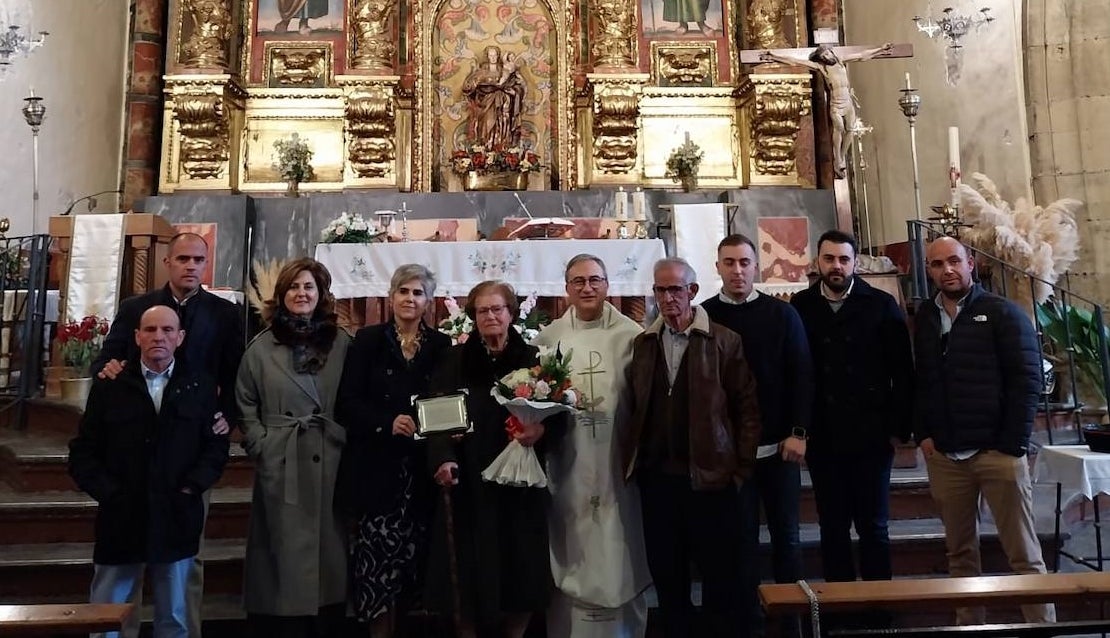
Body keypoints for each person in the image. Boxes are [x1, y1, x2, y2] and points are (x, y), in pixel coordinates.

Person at [91, 231, 243, 637]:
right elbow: (110, 358)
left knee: (185, 557)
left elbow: (234, 374)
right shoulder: (135, 308)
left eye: (198, 260)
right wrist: (107, 369)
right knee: (124, 559)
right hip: (134, 449)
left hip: (188, 453)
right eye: (182, 259)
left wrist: (227, 416)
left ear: (205, 265)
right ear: (168, 262)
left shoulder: (224, 314)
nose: (190, 266)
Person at [914, 236, 1054, 625]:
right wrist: (925, 433)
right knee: (960, 555)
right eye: (938, 264)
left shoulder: (1001, 312)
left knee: (1024, 554)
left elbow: (1027, 380)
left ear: (971, 263)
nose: (948, 270)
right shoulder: (926, 317)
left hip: (997, 453)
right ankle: (970, 625)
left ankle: (1043, 627)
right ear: (929, 270)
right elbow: (922, 380)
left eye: (954, 261)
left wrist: (1012, 444)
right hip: (947, 456)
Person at [619, 257, 761, 638]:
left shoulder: (723, 340)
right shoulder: (644, 343)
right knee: (668, 575)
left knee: (718, 577)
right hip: (659, 480)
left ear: (693, 292)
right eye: (660, 290)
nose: (667, 298)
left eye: (675, 290)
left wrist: (741, 469)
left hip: (710, 479)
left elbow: (746, 408)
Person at [69, 305, 229, 638]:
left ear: (180, 338)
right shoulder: (111, 386)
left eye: (168, 330)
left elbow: (214, 448)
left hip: (175, 515)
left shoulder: (199, 386)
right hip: (122, 516)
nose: (159, 337)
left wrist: (191, 487)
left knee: (174, 617)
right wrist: (110, 493)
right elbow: (83, 451)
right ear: (137, 336)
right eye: (151, 330)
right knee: (107, 618)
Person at [426, 280, 562, 638]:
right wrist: (443, 457)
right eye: (482, 311)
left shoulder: (534, 359)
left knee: (520, 568)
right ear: (472, 317)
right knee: (468, 572)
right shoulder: (453, 360)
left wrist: (540, 432)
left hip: (519, 481)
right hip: (468, 479)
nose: (490, 316)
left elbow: (559, 415)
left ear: (511, 314)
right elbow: (437, 416)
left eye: (497, 309)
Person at [700, 234, 812, 638]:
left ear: (756, 267)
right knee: (739, 543)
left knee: (787, 540)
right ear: (717, 268)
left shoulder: (782, 315)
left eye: (745, 262)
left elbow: (801, 375)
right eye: (729, 263)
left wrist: (798, 432)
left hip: (780, 448)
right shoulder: (705, 315)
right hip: (730, 456)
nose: (737, 270)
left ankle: (793, 624)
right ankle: (746, 625)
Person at [533, 255, 651, 638]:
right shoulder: (548, 339)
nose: (587, 288)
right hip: (570, 457)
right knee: (572, 527)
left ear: (607, 285)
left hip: (617, 457)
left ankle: (624, 625)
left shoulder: (632, 335)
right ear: (566, 288)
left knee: (621, 531)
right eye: (579, 281)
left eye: (595, 280)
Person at [790, 230, 913, 595]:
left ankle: (879, 605)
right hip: (825, 435)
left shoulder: (880, 304)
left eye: (844, 259)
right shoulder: (801, 306)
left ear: (855, 263)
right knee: (832, 525)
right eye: (829, 259)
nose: (837, 266)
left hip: (871, 433)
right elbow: (797, 370)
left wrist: (897, 428)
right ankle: (837, 607)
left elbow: (902, 371)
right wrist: (801, 429)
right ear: (818, 262)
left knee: (874, 525)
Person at [236, 258, 351, 636]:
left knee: (329, 552)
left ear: (321, 295)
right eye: (294, 288)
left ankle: (327, 617)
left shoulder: (342, 344)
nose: (301, 294)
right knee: (283, 557)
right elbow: (246, 401)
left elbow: (357, 396)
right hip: (282, 459)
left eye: (309, 288)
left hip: (331, 459)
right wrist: (261, 444)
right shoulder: (261, 348)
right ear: (281, 296)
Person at [335, 265, 451, 637]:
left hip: (419, 470)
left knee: (412, 563)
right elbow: (347, 402)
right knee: (376, 566)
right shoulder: (368, 340)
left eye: (418, 293)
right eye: (404, 291)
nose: (410, 299)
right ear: (391, 297)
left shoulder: (440, 345)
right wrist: (387, 422)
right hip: (378, 466)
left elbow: (446, 401)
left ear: (429, 302)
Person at [759, 43, 893, 178]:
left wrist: (880, 49)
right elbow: (795, 61)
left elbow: (862, 56)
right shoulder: (822, 68)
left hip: (848, 103)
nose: (828, 56)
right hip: (836, 104)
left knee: (850, 130)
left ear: (831, 52)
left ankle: (840, 157)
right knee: (839, 128)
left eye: (828, 53)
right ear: (822, 59)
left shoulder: (841, 60)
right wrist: (775, 56)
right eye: (824, 56)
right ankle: (838, 158)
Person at [462, 45, 526, 150]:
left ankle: (500, 149)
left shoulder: (504, 70)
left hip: (502, 103)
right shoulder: (482, 72)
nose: (492, 58)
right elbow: (468, 87)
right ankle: (486, 148)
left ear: (498, 56)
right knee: (487, 124)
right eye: (490, 55)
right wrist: (475, 85)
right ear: (487, 56)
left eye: (495, 55)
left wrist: (513, 92)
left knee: (501, 125)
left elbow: (517, 86)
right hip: (486, 105)